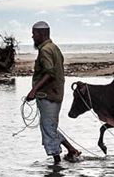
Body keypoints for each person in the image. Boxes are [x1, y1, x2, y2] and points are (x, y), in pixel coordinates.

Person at [25, 21, 81, 164]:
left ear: (42, 34)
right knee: (50, 126)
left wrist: (33, 90)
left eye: (34, 34)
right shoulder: (54, 48)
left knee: (48, 129)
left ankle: (57, 165)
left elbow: (50, 73)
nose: (32, 37)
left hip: (48, 96)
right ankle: (71, 150)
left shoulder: (45, 50)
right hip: (55, 94)